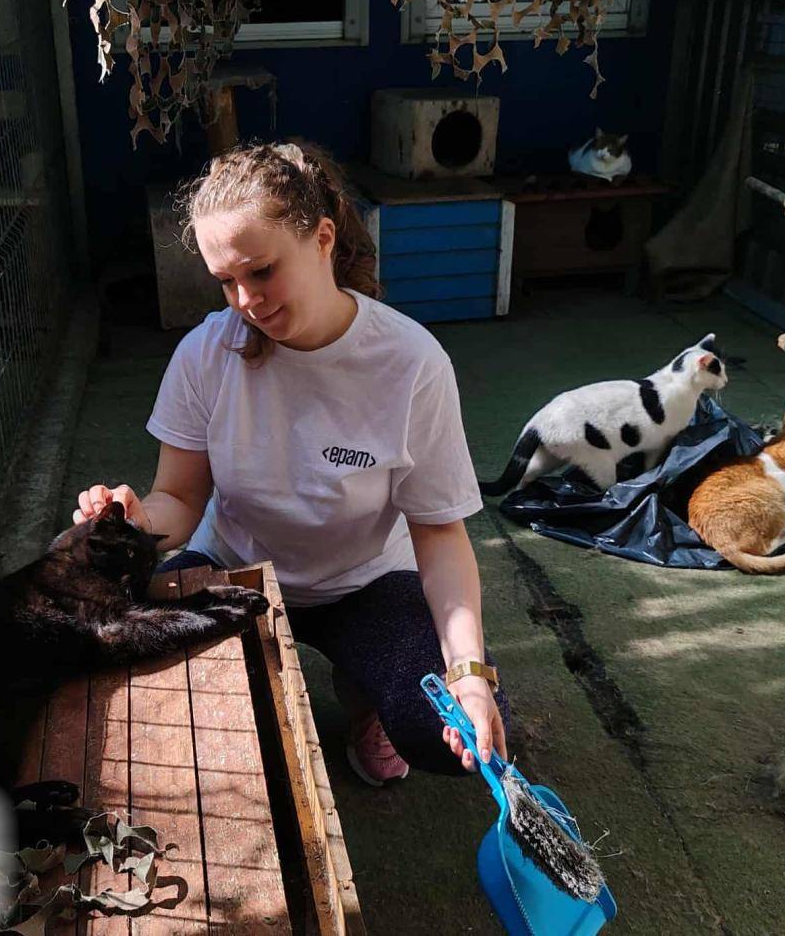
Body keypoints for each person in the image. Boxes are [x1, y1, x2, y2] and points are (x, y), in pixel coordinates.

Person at [71, 141, 509, 784]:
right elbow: (181, 499)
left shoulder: (411, 362)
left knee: (450, 737)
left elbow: (440, 533)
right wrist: (133, 520)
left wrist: (469, 673)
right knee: (113, 647)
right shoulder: (205, 353)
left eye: (261, 271)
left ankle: (367, 695)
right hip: (236, 569)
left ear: (323, 238)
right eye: (226, 281)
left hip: (362, 584)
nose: (245, 300)